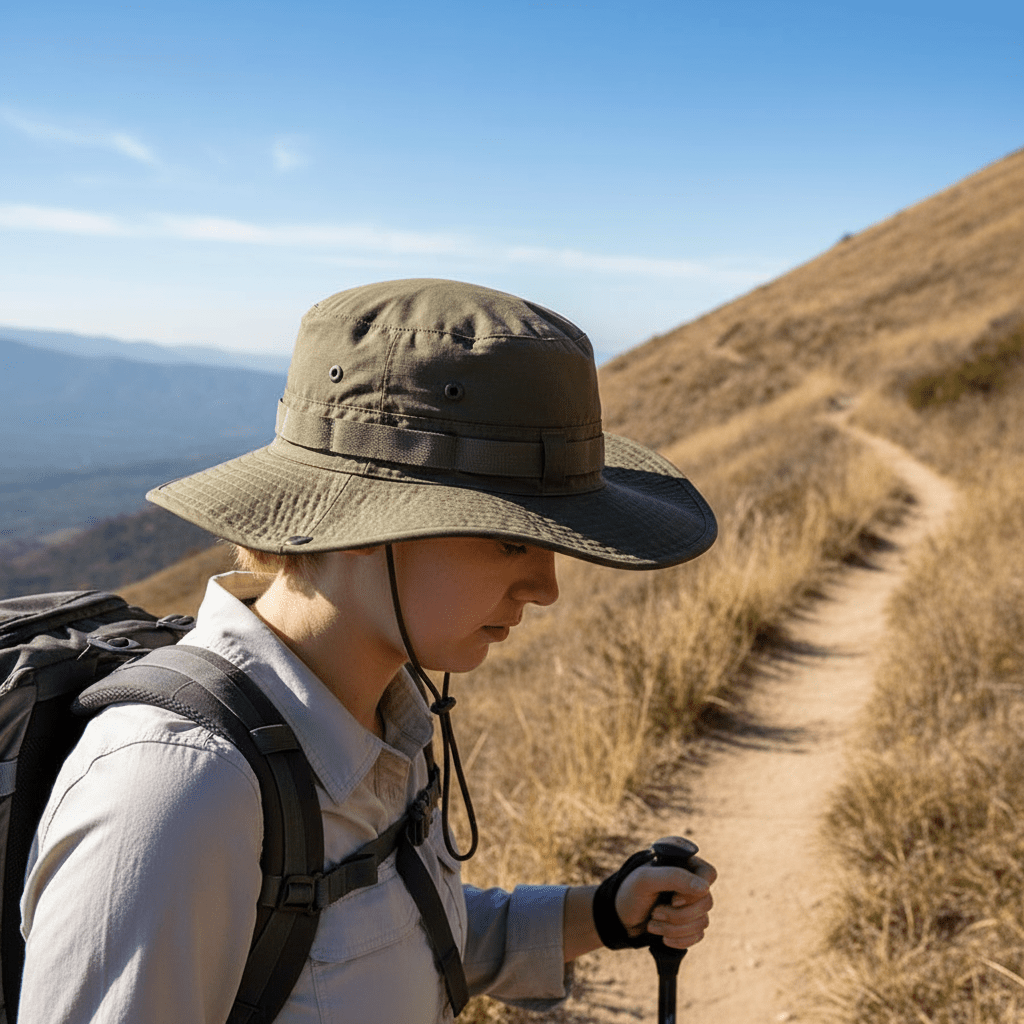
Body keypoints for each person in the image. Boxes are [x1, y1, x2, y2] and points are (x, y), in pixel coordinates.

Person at [19, 278, 718, 1023]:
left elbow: (387, 937)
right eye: (512, 538)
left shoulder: (374, 712)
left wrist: (603, 914)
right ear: (369, 526)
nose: (546, 587)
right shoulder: (178, 794)